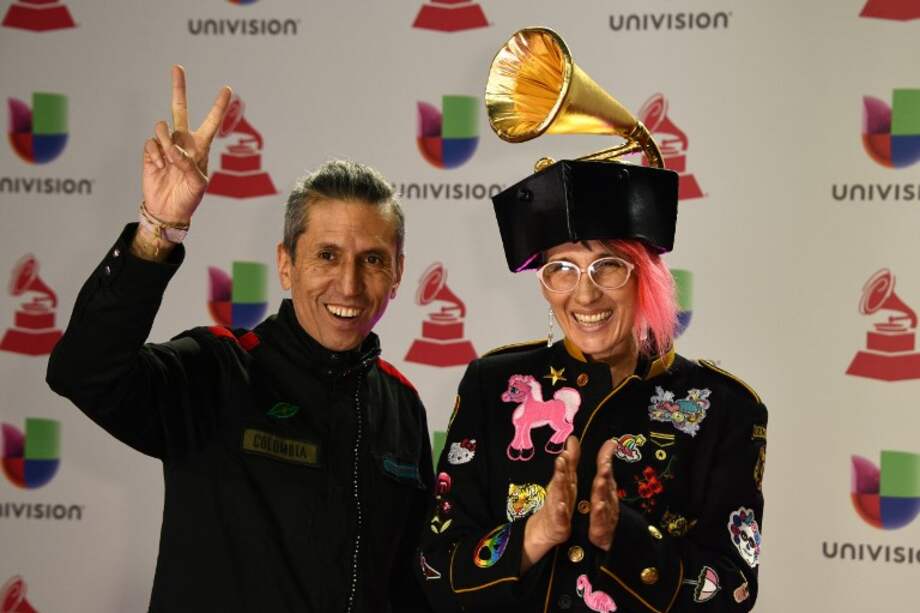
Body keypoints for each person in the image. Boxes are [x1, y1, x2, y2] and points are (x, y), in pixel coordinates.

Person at [46, 66, 433, 613]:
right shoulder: (217, 369)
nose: (348, 284)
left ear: (396, 273)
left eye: (371, 260)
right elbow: (81, 371)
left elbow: (407, 588)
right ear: (285, 264)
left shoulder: (402, 407)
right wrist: (159, 229)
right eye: (326, 256)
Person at [417, 160, 767, 612]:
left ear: (647, 276)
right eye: (562, 268)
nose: (585, 295)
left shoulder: (725, 407)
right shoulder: (493, 384)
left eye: (608, 266)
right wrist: (537, 532)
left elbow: (733, 589)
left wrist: (625, 537)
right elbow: (435, 568)